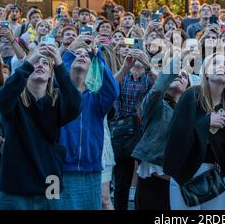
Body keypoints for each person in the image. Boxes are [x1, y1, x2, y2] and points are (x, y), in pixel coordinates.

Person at [0, 45, 82, 209]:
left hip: (51, 180)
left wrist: (59, 65)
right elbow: (3, 98)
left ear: (51, 73)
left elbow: (75, 104)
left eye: (46, 63)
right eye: (36, 61)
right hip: (14, 185)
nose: (40, 65)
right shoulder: (13, 100)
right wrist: (28, 62)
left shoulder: (57, 101)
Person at [164, 53, 225, 210]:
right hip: (187, 173)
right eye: (215, 62)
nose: (221, 66)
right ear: (205, 72)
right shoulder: (192, 95)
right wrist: (207, 122)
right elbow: (175, 134)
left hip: (218, 176)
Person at [59, 35, 119, 210]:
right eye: (77, 54)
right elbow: (55, 72)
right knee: (53, 205)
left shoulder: (97, 98)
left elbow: (113, 90)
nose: (81, 56)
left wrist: (97, 55)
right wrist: (70, 51)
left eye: (86, 56)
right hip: (57, 169)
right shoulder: (57, 92)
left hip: (91, 169)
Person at [132, 59, 190, 210]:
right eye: (176, 74)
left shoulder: (190, 113)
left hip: (180, 181)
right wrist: (176, 61)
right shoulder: (155, 104)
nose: (179, 75)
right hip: (154, 180)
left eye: (184, 76)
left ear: (187, 88)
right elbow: (157, 90)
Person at [112, 45, 155, 210]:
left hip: (144, 131)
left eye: (141, 56)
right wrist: (125, 66)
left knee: (145, 179)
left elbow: (160, 90)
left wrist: (147, 66)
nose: (137, 58)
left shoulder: (149, 78)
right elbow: (110, 91)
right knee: (122, 179)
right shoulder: (123, 77)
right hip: (123, 131)